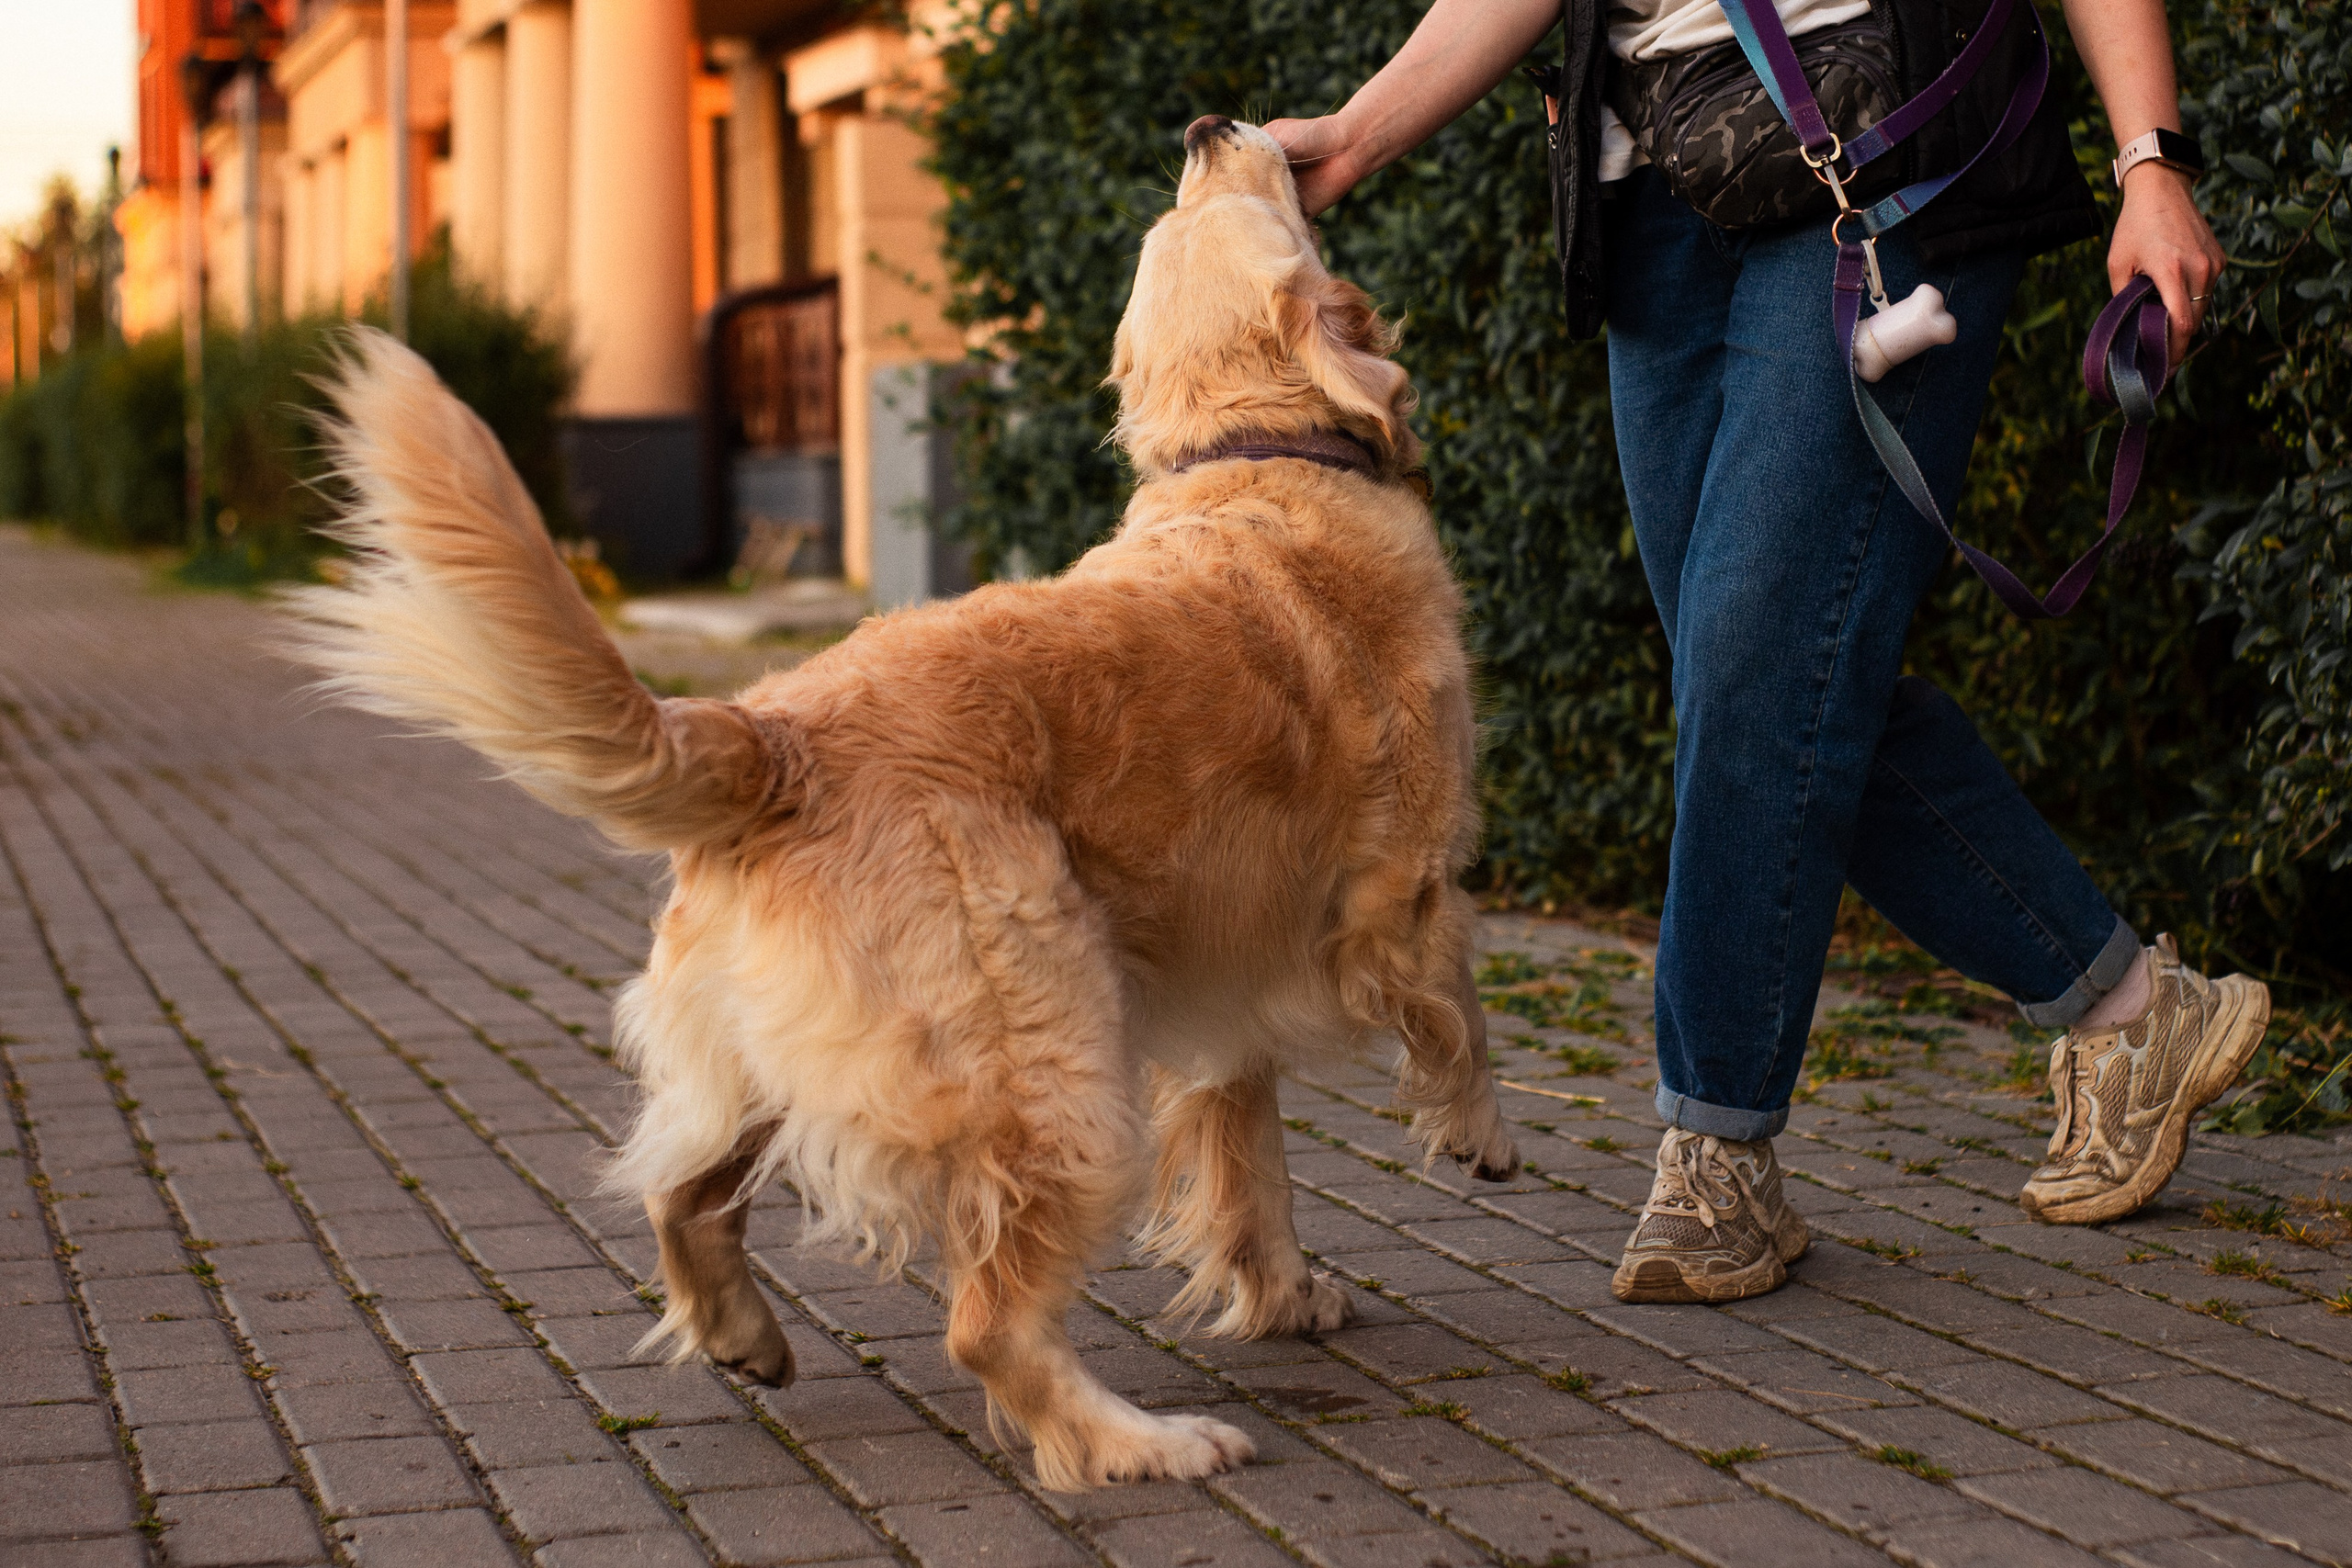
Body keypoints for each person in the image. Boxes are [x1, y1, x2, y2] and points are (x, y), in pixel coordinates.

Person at [1268, 0, 2267, 1305]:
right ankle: (2133, 1011)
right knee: (1777, 681)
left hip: (1876, 153)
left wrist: (2151, 161)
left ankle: (1719, 1154)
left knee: (1761, 679)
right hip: (1654, 193)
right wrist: (1356, 135)